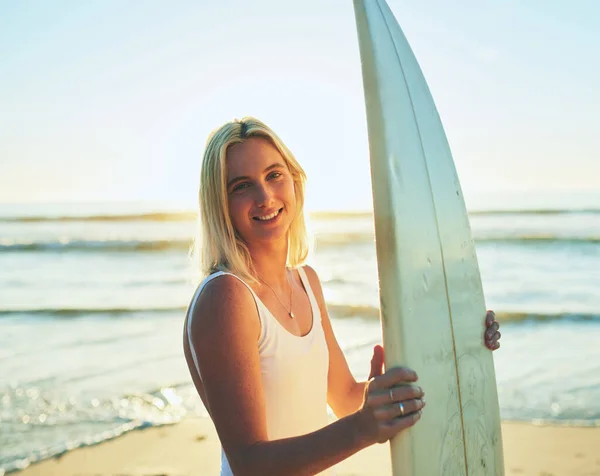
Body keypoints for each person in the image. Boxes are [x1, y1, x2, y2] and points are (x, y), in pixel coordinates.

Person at [183, 117, 502, 476]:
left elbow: (348, 398)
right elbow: (250, 463)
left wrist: (458, 345)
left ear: (294, 181)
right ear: (219, 204)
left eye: (274, 175)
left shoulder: (305, 281)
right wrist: (362, 428)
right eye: (242, 186)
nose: (264, 196)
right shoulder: (225, 297)